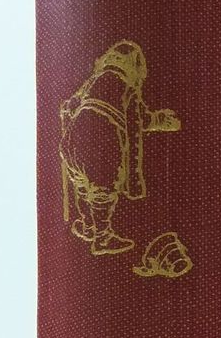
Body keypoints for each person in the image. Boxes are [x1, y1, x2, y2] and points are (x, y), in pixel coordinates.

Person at [59, 41, 181, 256]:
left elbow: (71, 105)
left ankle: (88, 227)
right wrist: (161, 120)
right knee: (102, 189)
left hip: (72, 138)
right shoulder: (126, 85)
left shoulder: (93, 81)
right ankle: (102, 237)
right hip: (101, 141)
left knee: (82, 185)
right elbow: (138, 119)